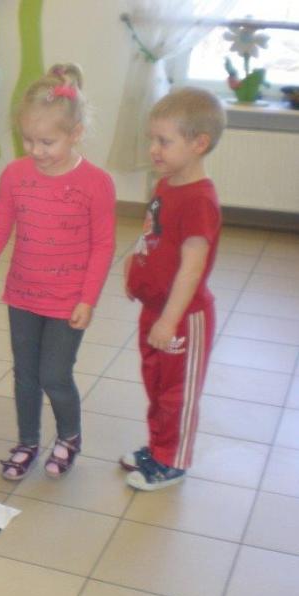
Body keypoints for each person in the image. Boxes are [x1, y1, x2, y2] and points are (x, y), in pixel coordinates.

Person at [0, 63, 116, 481]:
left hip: (67, 301)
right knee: (25, 374)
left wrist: (88, 299)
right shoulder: (15, 175)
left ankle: (69, 436)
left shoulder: (96, 183)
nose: (35, 150)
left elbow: (103, 245)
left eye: (47, 142)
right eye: (28, 139)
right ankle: (27, 441)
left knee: (54, 375)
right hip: (22, 294)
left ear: (75, 133)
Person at [119, 87, 225, 491]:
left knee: (176, 392)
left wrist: (169, 320)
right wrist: (134, 263)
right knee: (156, 383)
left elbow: (192, 268)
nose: (154, 149)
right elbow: (156, 234)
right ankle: (159, 446)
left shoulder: (199, 200)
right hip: (155, 308)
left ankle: (172, 460)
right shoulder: (167, 184)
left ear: (199, 144)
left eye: (164, 141)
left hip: (182, 316)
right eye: (153, 139)